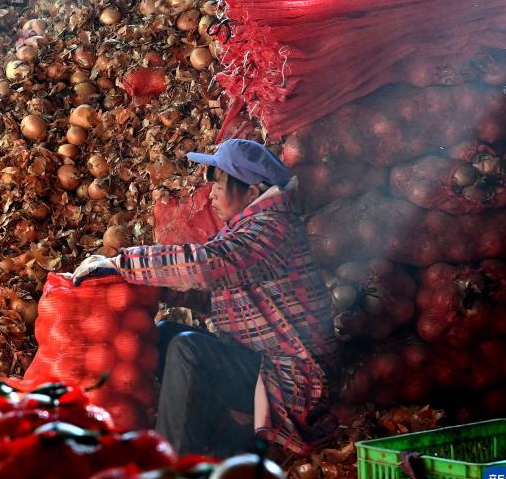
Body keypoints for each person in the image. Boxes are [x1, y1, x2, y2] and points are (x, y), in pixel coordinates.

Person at [72, 139, 337, 457]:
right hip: (257, 361)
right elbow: (235, 305)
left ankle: (170, 470)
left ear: (252, 193)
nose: (210, 192)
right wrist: (167, 293)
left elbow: (209, 263)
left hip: (290, 379)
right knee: (166, 334)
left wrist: (122, 264)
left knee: (188, 350)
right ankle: (209, 439)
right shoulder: (251, 227)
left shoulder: (272, 229)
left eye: (219, 183)